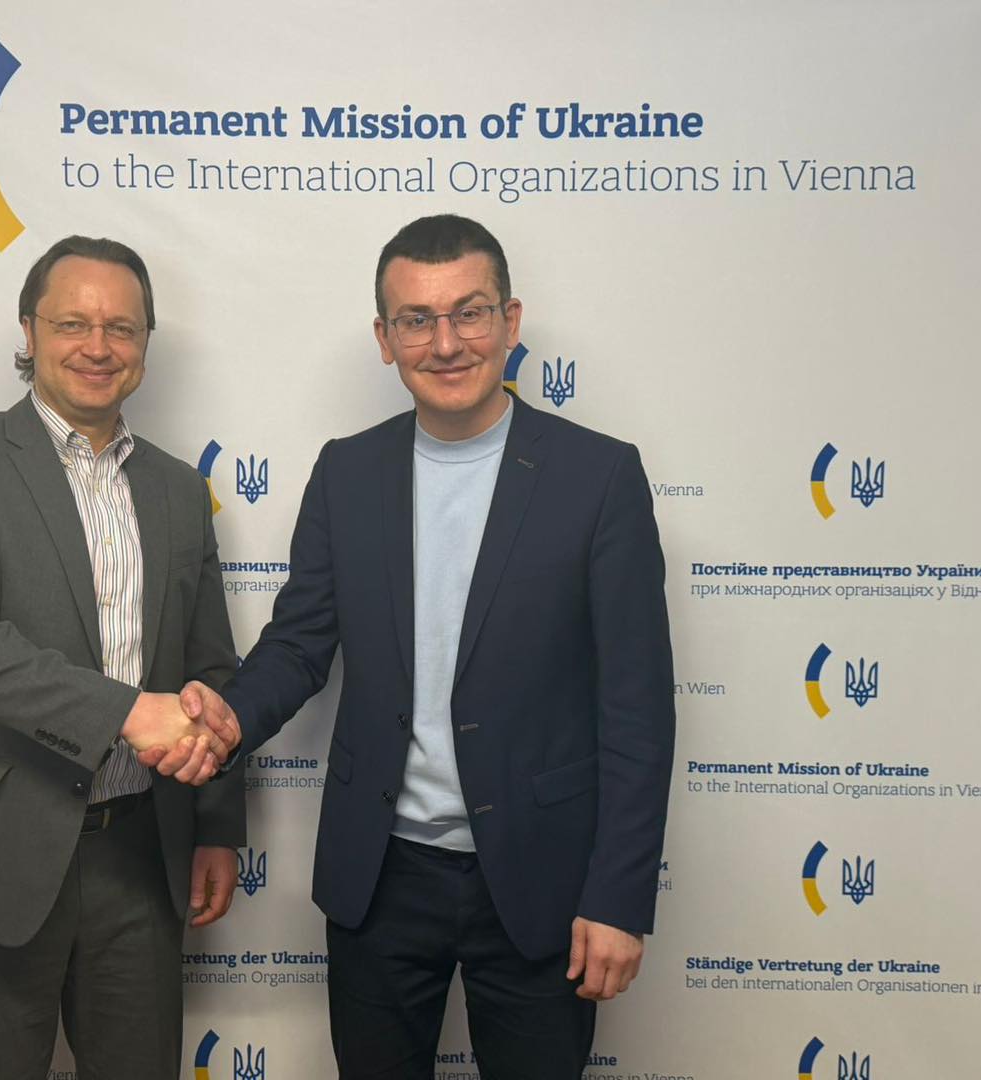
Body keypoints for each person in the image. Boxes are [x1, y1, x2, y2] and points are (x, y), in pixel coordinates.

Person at [221, 214, 675, 1078]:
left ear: (510, 320)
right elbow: (299, 643)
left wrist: (620, 897)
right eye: (416, 320)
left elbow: (637, 710)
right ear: (384, 339)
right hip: (379, 875)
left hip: (542, 880)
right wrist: (226, 719)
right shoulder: (346, 471)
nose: (446, 343)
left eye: (469, 313)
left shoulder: (599, 476)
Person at [0, 235, 244, 1080]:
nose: (98, 346)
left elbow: (210, 669)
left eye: (122, 327)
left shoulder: (179, 490)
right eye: (72, 323)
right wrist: (128, 712)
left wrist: (216, 825)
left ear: (146, 342)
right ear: (29, 330)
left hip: (140, 860)